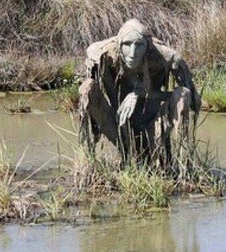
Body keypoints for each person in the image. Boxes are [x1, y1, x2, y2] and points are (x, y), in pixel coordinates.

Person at [78, 19, 200, 166]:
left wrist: (140, 94)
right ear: (119, 45)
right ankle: (89, 158)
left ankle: (182, 164)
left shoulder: (165, 57)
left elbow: (192, 100)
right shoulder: (103, 55)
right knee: (87, 88)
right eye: (127, 45)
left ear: (147, 46)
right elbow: (92, 91)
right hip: (116, 122)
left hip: (153, 122)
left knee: (183, 94)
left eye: (139, 45)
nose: (133, 53)